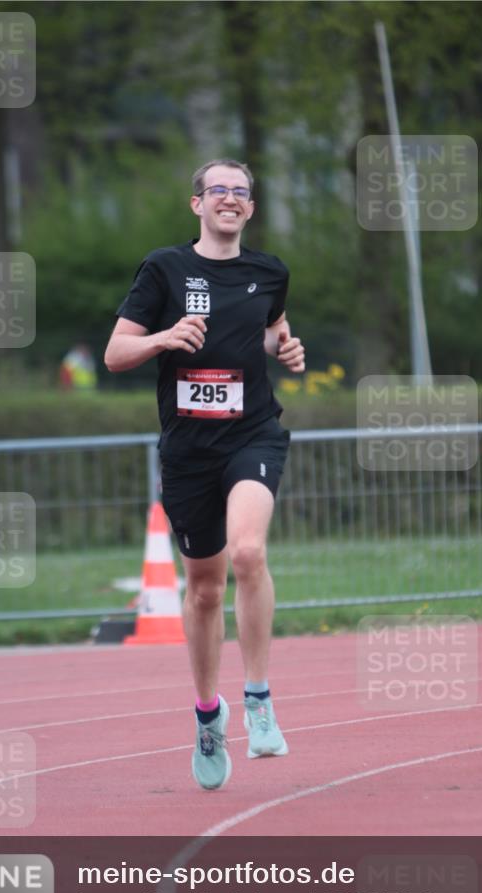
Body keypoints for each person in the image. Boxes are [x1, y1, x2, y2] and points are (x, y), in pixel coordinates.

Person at [104, 158, 305, 791]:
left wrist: (286, 349)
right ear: (197, 203)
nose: (229, 199)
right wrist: (164, 338)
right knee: (205, 590)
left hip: (253, 433)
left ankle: (259, 698)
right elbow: (115, 355)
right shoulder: (164, 268)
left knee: (249, 552)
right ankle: (208, 714)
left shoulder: (269, 272)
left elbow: (272, 331)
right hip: (189, 449)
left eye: (241, 193)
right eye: (218, 190)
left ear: (250, 208)